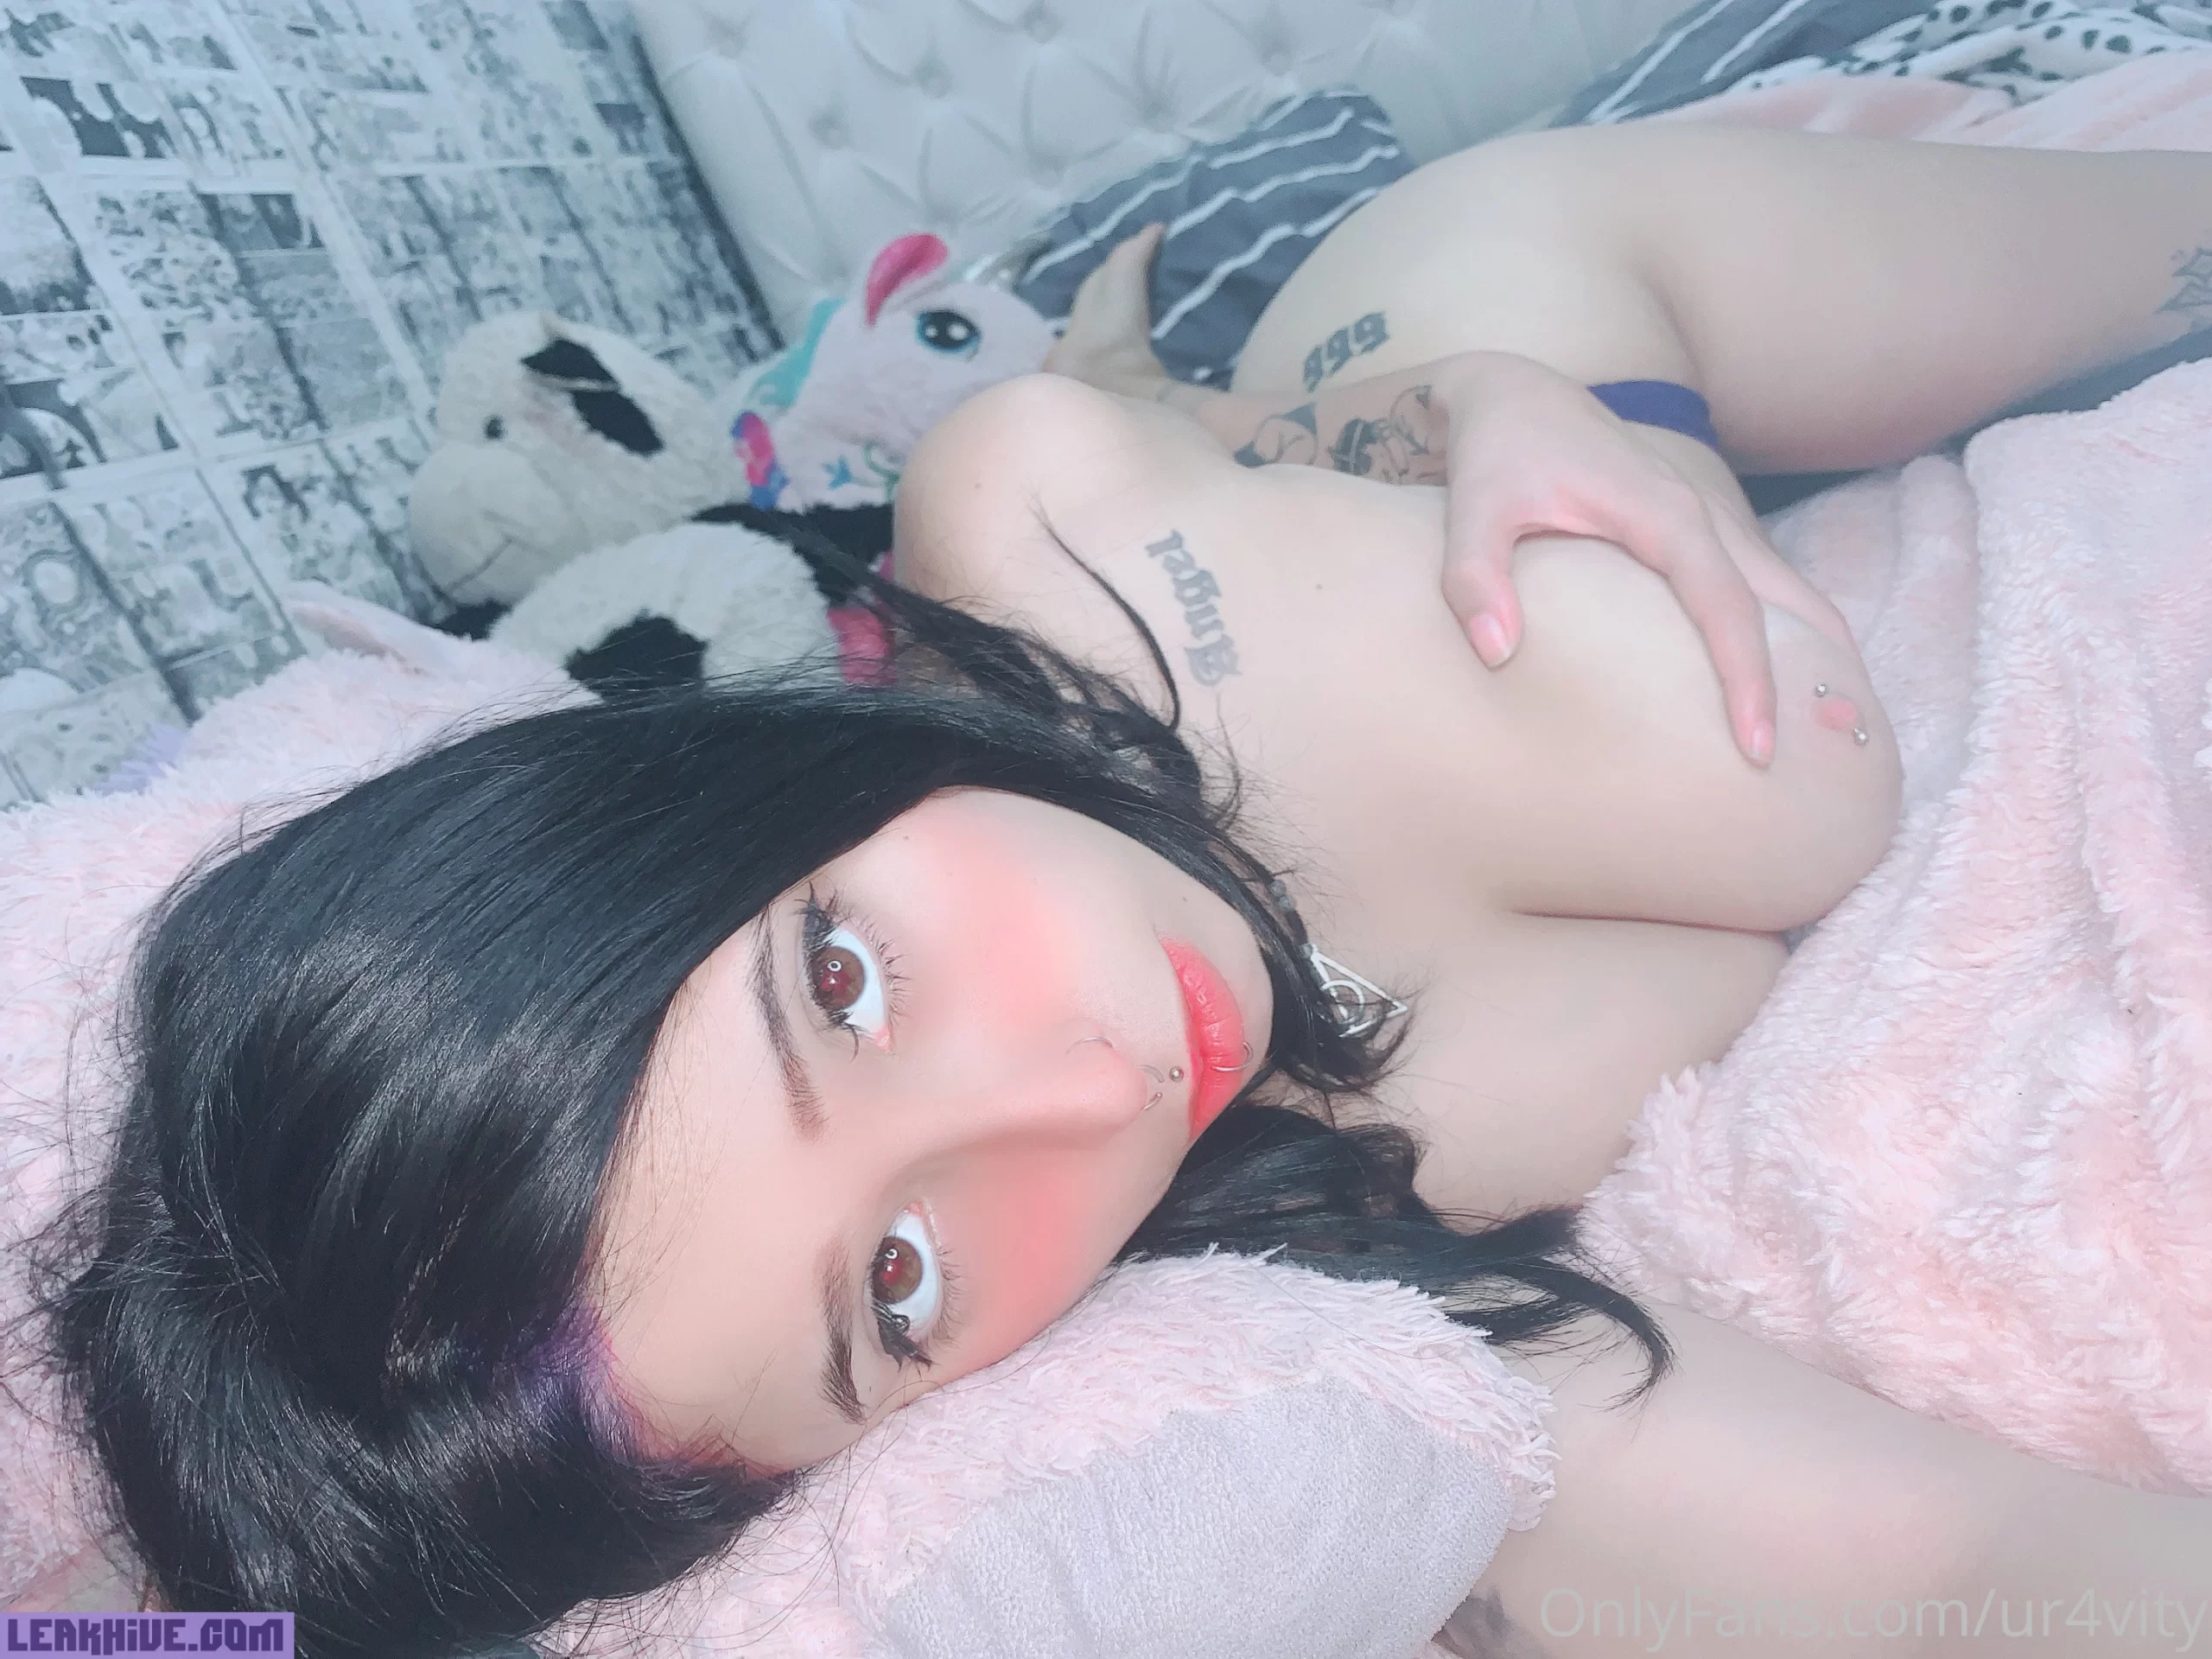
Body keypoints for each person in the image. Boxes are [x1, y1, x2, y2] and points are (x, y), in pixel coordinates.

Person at [34, 123, 2212, 1654]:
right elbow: (1941, 1574)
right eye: (899, 1283)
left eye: (844, 984)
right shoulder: (1286, 1294)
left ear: (696, 807)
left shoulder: (1050, 523)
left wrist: (1489, 401)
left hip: (1555, 291)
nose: (1079, 1082)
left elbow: (1318, 425)